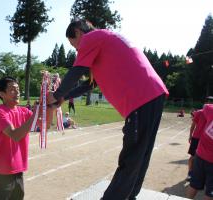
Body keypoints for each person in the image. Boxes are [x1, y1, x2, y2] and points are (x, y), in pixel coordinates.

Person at [47, 19, 169, 200]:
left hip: (141, 98)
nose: (77, 50)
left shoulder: (92, 38)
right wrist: (65, 95)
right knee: (140, 155)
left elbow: (77, 70)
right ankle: (130, 196)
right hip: (154, 94)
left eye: (74, 45)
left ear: (79, 32)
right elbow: (90, 84)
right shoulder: (106, 39)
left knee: (131, 157)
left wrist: (56, 94)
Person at [0, 77, 38, 200]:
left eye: (18, 89)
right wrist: (36, 113)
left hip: (18, 171)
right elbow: (15, 135)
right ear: (2, 94)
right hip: (1, 173)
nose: (17, 92)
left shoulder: (24, 111)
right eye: (12, 90)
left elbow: (44, 125)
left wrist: (51, 105)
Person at [186, 104, 213, 200]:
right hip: (199, 146)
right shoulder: (202, 112)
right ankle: (189, 172)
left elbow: (206, 106)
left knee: (194, 185)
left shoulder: (209, 110)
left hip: (201, 154)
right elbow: (194, 123)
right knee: (210, 193)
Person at [186, 109, 206, 181]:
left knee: (204, 158)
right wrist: (190, 135)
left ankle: (201, 174)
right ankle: (190, 173)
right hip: (197, 138)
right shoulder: (199, 112)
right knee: (193, 156)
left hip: (207, 139)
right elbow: (193, 125)